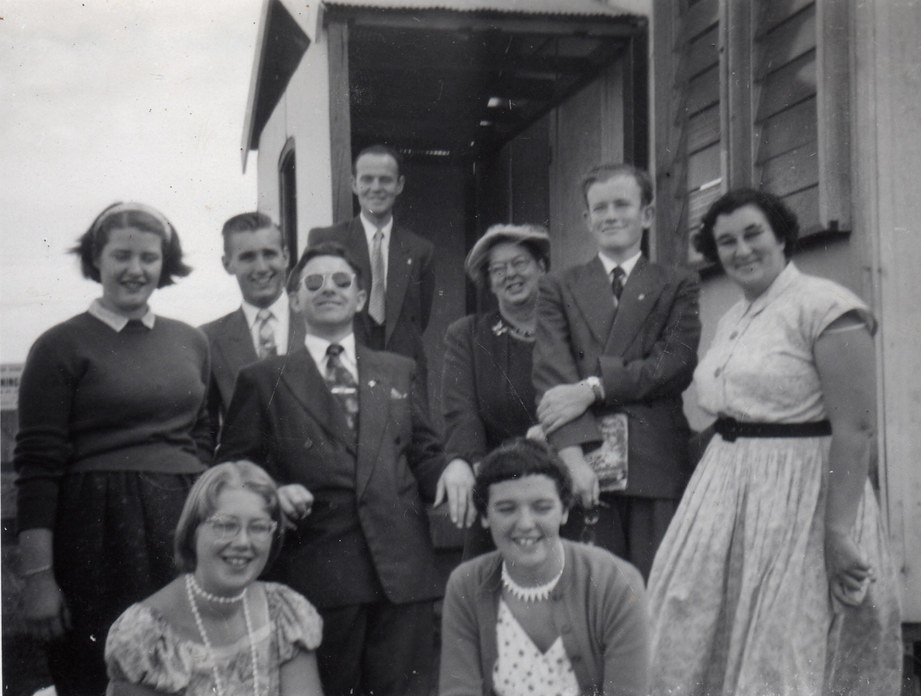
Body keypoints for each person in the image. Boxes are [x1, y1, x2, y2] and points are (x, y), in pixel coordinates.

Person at [647, 189, 902, 695]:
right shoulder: (733, 317)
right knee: (680, 631)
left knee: (781, 654)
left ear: (781, 235)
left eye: (752, 233)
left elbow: (856, 429)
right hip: (725, 495)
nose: (741, 250)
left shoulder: (827, 308)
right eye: (725, 242)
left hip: (800, 500)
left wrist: (838, 532)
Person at [217, 242, 470, 696]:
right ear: (295, 300)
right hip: (319, 572)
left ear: (359, 297)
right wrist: (274, 491)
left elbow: (425, 452)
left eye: (340, 281)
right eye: (312, 283)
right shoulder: (262, 378)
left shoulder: (399, 370)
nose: (327, 289)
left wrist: (453, 467)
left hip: (402, 572)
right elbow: (235, 467)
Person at [14, 202, 212, 696]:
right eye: (121, 255)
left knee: (189, 669)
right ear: (95, 259)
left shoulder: (190, 341)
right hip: (96, 533)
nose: (136, 269)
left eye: (149, 257)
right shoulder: (59, 346)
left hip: (180, 525)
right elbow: (37, 468)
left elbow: (202, 434)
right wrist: (37, 578)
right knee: (101, 673)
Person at [532, 162, 702, 578]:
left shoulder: (677, 283)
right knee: (592, 594)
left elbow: (672, 366)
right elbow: (554, 381)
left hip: (655, 461)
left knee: (656, 591)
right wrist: (571, 462)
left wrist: (593, 387)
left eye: (622, 204)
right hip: (585, 460)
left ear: (646, 214)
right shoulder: (559, 286)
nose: (611, 216)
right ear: (588, 220)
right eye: (600, 208)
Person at [440, 437, 649, 696]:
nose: (526, 523)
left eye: (542, 507)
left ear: (563, 511)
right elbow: (459, 689)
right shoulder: (466, 584)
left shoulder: (615, 582)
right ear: (485, 516)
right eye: (506, 509)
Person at [105, 461, 323, 695]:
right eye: (226, 525)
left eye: (259, 527)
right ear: (192, 531)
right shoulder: (145, 635)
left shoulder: (285, 613)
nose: (242, 543)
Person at [438, 223, 548, 556]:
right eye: (497, 269)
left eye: (519, 263)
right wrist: (462, 460)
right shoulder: (469, 336)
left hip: (564, 483)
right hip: (499, 484)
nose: (510, 274)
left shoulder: (570, 327)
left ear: (542, 267)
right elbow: (461, 411)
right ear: (488, 282)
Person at [308, 144, 434, 368]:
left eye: (385, 180)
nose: (376, 188)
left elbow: (419, 320)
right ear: (354, 184)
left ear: (399, 185)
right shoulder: (326, 240)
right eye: (367, 179)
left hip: (403, 372)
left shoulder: (420, 250)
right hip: (343, 367)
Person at [202, 212, 304, 439]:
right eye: (247, 257)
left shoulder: (319, 324)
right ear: (227, 264)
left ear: (285, 257)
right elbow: (204, 429)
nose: (261, 267)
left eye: (269, 254)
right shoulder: (209, 339)